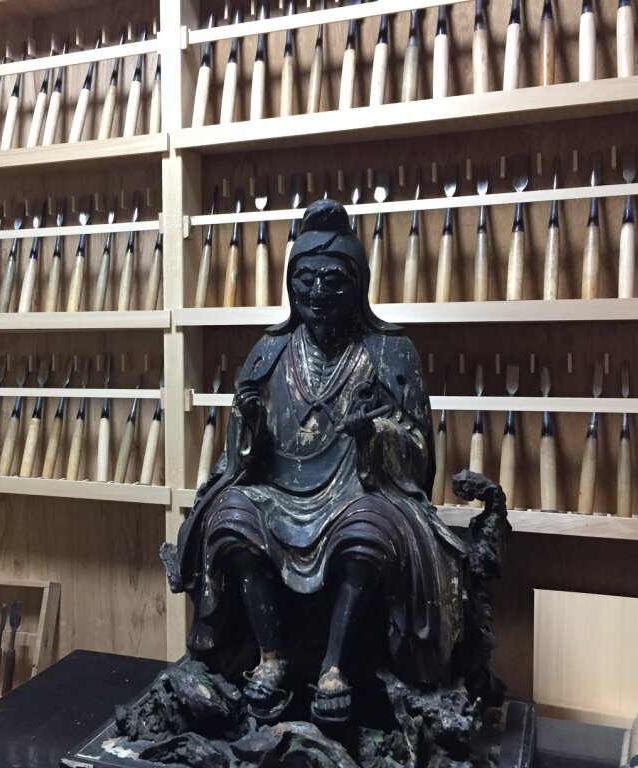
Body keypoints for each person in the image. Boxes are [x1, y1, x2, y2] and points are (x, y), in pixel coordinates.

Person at [167, 199, 468, 725]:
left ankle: (334, 667)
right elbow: (239, 451)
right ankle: (270, 656)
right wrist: (250, 427)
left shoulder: (389, 351)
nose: (318, 293)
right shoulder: (271, 349)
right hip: (277, 486)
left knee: (369, 531)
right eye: (306, 280)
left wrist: (375, 432)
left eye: (333, 280)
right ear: (290, 283)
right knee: (231, 517)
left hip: (358, 488)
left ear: (359, 283)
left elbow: (418, 449)